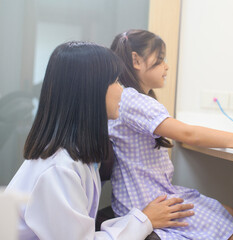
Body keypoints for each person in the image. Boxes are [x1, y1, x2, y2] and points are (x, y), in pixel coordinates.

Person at [108, 29, 233, 240]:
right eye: (161, 59)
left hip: (150, 196)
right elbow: (189, 134)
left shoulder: (129, 99)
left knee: (232, 215)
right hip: (148, 203)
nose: (167, 66)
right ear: (136, 60)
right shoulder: (132, 100)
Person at [5, 41, 194, 240]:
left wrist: (142, 218)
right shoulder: (59, 170)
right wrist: (144, 219)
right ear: (90, 90)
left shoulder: (77, 155)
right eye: (115, 81)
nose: (122, 91)